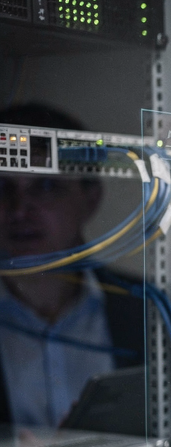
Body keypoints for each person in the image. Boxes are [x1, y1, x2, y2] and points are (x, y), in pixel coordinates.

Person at [0, 104, 145, 429]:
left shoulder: (147, 311)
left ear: (90, 199)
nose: (19, 210)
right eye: (2, 188)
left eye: (45, 187)